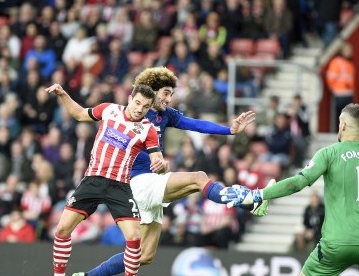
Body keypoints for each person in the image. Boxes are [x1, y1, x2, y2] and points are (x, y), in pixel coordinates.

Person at [76, 67, 264, 276]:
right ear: (152, 91)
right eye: (166, 93)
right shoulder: (133, 112)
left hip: (148, 184)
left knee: (143, 256)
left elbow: (196, 124)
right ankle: (247, 201)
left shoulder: (165, 115)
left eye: (171, 94)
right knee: (198, 178)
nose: (169, 99)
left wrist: (229, 130)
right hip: (136, 183)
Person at [221, 103, 359, 276]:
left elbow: (297, 183)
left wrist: (258, 194)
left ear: (343, 125)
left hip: (336, 244)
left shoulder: (329, 153)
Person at [46, 83, 167, 276]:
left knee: (134, 238)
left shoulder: (148, 130)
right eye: (137, 103)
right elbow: (78, 114)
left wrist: (162, 165)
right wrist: (63, 94)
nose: (139, 109)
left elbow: (157, 159)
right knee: (62, 230)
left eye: (145, 107)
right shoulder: (109, 110)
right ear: (130, 98)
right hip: (93, 180)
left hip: (119, 186)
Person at [326, 42, 355, 130]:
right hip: (339, 94)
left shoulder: (350, 64)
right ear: (342, 51)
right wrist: (333, 89)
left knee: (349, 117)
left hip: (348, 94)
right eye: (348, 50)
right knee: (340, 118)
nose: (350, 52)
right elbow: (330, 77)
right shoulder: (336, 62)